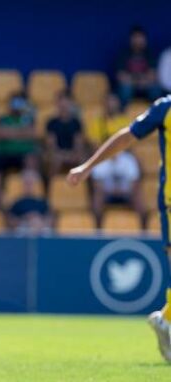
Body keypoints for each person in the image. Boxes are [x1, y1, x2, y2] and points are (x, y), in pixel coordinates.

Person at [67, 94, 171, 363]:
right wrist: (88, 167)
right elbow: (127, 137)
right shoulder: (165, 108)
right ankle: (166, 320)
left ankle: (166, 319)